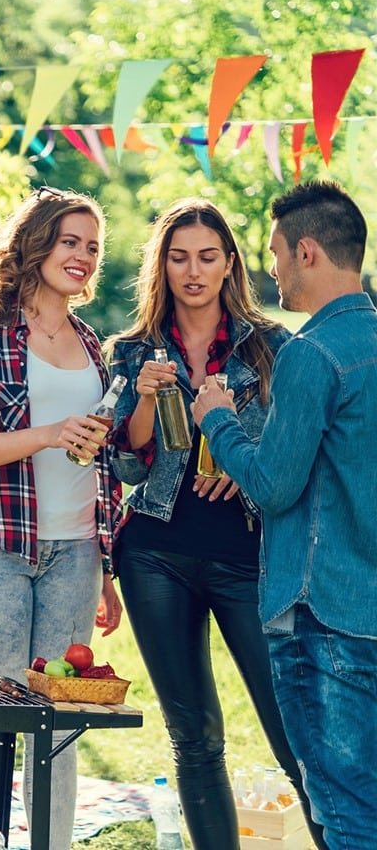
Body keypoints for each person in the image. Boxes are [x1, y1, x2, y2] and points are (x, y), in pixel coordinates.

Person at [104, 198, 323, 850]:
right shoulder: (133, 351)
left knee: (293, 729)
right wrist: (143, 397)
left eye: (206, 256)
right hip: (154, 555)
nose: (192, 271)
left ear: (230, 263)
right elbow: (125, 464)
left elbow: (298, 452)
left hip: (247, 555)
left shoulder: (274, 347)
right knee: (194, 735)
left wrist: (243, 462)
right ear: (162, 265)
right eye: (178, 258)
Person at [193, 180, 377, 849]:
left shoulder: (310, 352)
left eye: (272, 252)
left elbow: (272, 485)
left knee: (347, 815)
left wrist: (219, 420)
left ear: (306, 252)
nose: (268, 269)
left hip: (320, 617)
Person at [0, 186, 122, 848]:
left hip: (75, 551)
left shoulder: (92, 342)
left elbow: (102, 463)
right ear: (36, 244)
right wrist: (46, 434)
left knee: (62, 714)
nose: (82, 256)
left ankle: (52, 842)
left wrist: (106, 566)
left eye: (92, 247)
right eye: (69, 242)